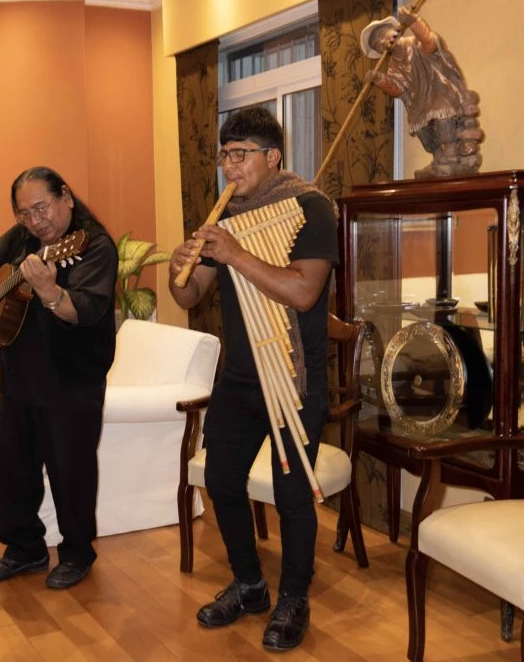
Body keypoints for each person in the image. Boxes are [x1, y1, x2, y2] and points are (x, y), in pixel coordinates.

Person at [168, 106, 338, 652]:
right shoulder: (229, 219)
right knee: (220, 481)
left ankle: (294, 597)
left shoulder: (312, 209)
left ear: (272, 156)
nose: (228, 167)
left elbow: (303, 292)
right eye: (224, 155)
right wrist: (182, 269)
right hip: (240, 378)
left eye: (239, 155)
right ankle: (249, 584)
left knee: (291, 494)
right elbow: (189, 298)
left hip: (292, 377)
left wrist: (235, 253)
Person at [0, 166, 117, 590]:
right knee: (13, 470)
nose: (34, 221)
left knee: (71, 473)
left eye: (41, 208)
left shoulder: (93, 245)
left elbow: (87, 310)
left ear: (66, 195)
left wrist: (50, 292)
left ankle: (78, 554)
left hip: (72, 379)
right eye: (24, 213)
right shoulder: (22, 237)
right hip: (21, 374)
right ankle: (24, 550)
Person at [361, 6, 484, 178]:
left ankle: (450, 154)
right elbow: (397, 88)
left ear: (394, 30)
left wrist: (415, 22)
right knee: (421, 130)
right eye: (377, 45)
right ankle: (438, 158)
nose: (381, 43)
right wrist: (379, 80)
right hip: (420, 103)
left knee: (443, 116)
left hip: (440, 91)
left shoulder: (413, 43)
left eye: (383, 35)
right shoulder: (394, 67)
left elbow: (430, 43)